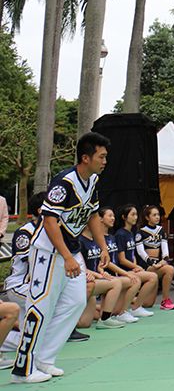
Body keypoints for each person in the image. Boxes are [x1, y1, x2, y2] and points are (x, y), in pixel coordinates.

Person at [12, 132, 110, 384]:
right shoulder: (63, 183)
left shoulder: (93, 180)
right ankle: (24, 369)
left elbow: (92, 215)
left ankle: (45, 358)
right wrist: (66, 256)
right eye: (101, 156)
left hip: (71, 250)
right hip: (48, 252)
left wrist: (103, 247)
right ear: (86, 158)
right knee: (40, 306)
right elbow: (49, 221)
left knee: (76, 301)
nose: (104, 161)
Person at [0, 192, 46, 365]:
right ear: (41, 210)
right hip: (19, 285)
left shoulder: (48, 230)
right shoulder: (25, 232)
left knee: (38, 335)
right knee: (36, 336)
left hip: (34, 285)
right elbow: (32, 262)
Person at [113, 205, 158, 316]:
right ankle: (133, 308)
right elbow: (122, 259)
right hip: (123, 271)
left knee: (153, 276)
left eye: (136, 214)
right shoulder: (120, 234)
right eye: (132, 214)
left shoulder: (131, 233)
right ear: (124, 217)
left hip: (132, 269)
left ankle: (136, 306)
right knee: (152, 277)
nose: (135, 217)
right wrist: (135, 267)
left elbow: (132, 255)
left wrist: (135, 266)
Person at [77, 229, 125, 329]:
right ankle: (105, 319)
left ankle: (116, 312)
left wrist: (102, 272)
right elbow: (78, 265)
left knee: (84, 323)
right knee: (116, 283)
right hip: (82, 280)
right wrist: (97, 275)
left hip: (94, 280)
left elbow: (99, 264)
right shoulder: (80, 241)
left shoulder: (95, 241)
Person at [135, 205, 174, 310]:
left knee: (148, 303)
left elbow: (165, 248)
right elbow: (140, 251)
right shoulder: (141, 232)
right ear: (147, 217)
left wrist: (164, 260)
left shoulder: (161, 230)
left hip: (158, 264)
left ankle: (164, 300)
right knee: (169, 269)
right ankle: (165, 301)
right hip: (146, 265)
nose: (157, 217)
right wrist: (151, 263)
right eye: (154, 215)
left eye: (158, 214)